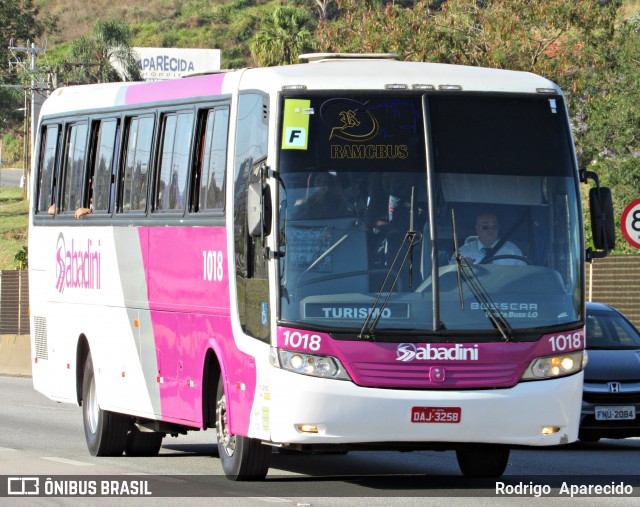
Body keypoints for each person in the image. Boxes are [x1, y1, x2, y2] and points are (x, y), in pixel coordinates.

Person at [452, 211, 526, 265]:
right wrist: (461, 269)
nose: (491, 230)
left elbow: (523, 275)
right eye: (485, 226)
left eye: (494, 226)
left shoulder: (512, 250)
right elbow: (450, 277)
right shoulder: (463, 252)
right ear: (477, 229)